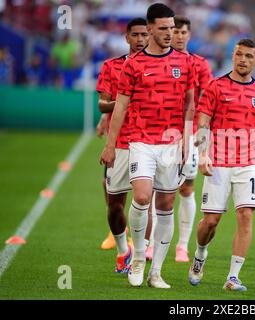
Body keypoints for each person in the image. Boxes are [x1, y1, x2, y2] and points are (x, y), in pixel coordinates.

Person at [100, 3, 195, 289]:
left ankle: (157, 272)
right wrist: (110, 145)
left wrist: (187, 141)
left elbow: (189, 105)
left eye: (172, 28)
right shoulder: (133, 65)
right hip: (140, 141)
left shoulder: (185, 63)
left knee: (165, 204)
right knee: (141, 198)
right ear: (150, 28)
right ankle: (138, 258)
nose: (170, 33)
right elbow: (119, 109)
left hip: (172, 144)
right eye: (164, 28)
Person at [188, 38, 255, 291]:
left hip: (249, 163)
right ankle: (200, 254)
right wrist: (202, 154)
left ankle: (233, 277)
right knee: (211, 221)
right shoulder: (216, 86)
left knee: (245, 216)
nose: (243, 60)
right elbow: (203, 122)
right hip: (219, 161)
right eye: (239, 55)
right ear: (233, 56)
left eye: (249, 56)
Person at [146, 15, 213, 263]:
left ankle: (182, 246)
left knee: (186, 188)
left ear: (189, 35)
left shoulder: (199, 64)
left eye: (185, 32)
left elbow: (206, 100)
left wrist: (202, 136)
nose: (180, 36)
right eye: (177, 32)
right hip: (160, 135)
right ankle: (152, 243)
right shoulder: (155, 59)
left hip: (190, 134)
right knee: (157, 189)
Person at [96, 17, 150, 273]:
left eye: (144, 35)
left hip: (150, 142)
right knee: (115, 204)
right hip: (120, 144)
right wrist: (126, 101)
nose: (140, 39)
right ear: (126, 37)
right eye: (135, 35)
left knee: (145, 200)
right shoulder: (111, 66)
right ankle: (122, 250)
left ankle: (141, 255)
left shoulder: (159, 68)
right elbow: (102, 104)